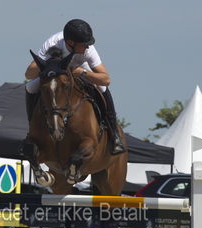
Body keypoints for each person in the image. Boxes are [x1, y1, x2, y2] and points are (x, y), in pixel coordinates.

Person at [24, 18, 126, 155]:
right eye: (84, 44)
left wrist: (82, 72)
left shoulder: (88, 51)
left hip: (79, 69)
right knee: (30, 87)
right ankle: (32, 129)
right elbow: (29, 74)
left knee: (102, 89)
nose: (87, 47)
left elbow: (106, 79)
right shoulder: (52, 44)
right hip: (56, 72)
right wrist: (48, 63)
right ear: (70, 43)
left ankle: (114, 134)